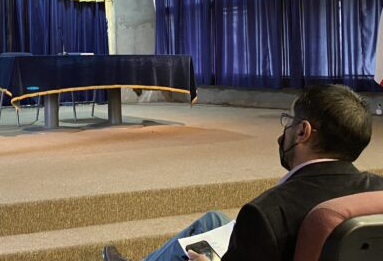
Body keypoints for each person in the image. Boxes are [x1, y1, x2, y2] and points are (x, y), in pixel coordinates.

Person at [102, 84, 383, 261]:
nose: (284, 131)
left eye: (289, 121)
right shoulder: (377, 191)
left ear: (303, 132)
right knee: (213, 221)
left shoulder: (266, 212)